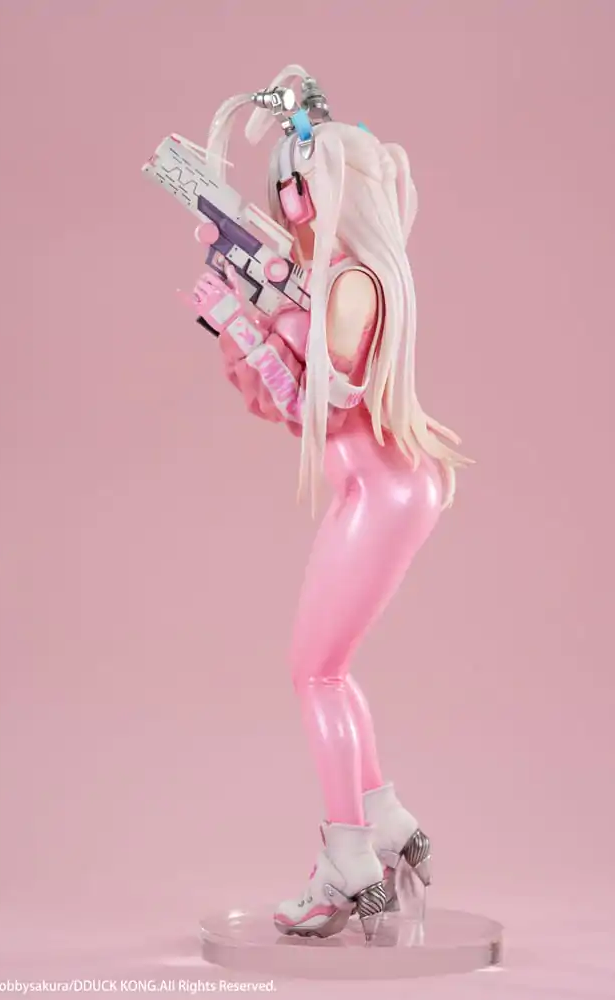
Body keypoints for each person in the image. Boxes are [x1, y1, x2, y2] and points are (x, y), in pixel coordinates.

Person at [190, 65, 471, 941]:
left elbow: (320, 405)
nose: (289, 205)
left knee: (313, 673)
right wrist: (263, 307)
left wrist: (240, 323)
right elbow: (308, 392)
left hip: (379, 492)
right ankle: (381, 816)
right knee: (330, 669)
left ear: (322, 193)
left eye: (295, 188)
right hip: (390, 485)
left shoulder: (351, 286)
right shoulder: (354, 279)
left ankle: (346, 860)